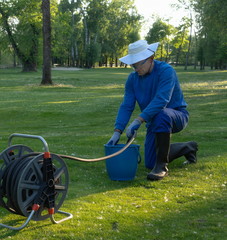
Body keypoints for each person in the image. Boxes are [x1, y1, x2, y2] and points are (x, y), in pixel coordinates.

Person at [107, 40, 198, 181]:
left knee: (162, 114)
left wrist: (138, 120)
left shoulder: (166, 71)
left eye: (138, 64)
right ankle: (188, 147)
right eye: (133, 65)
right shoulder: (132, 79)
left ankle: (162, 167)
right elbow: (126, 106)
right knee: (150, 162)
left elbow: (162, 100)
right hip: (154, 121)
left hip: (176, 115)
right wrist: (117, 131)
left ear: (150, 59)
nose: (136, 69)